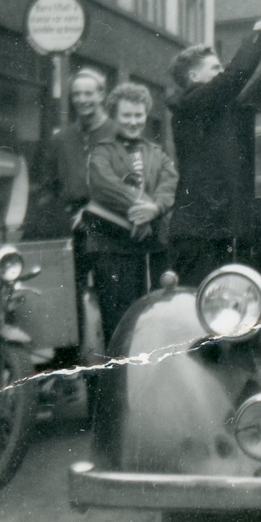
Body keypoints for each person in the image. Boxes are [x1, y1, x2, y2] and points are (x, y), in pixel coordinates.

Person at [167, 7, 261, 285]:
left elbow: (247, 103)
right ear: (194, 78)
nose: (222, 73)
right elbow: (236, 76)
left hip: (214, 230)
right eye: (215, 69)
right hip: (198, 235)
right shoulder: (192, 105)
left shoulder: (214, 109)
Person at [35, 68, 117, 371]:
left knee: (112, 291)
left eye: (88, 93)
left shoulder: (116, 133)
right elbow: (48, 185)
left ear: (101, 95)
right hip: (71, 225)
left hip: (109, 223)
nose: (82, 100)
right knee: (65, 289)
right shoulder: (62, 140)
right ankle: (67, 360)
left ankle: (114, 359)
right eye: (77, 95)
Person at [84, 82, 177, 343]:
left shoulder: (157, 153)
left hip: (153, 250)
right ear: (114, 116)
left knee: (156, 315)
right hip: (114, 250)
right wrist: (144, 211)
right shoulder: (101, 151)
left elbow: (170, 184)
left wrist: (155, 208)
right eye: (126, 115)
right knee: (119, 319)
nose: (133, 122)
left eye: (139, 115)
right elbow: (105, 186)